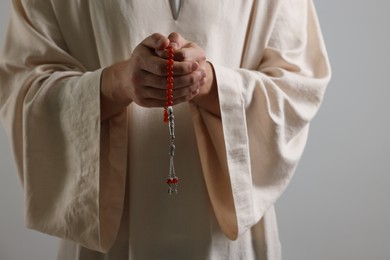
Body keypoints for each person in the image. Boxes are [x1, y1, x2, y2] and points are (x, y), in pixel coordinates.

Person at [0, 0, 331, 259]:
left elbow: (298, 85)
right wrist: (114, 84)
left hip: (228, 242)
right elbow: (22, 87)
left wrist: (213, 85)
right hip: (112, 239)